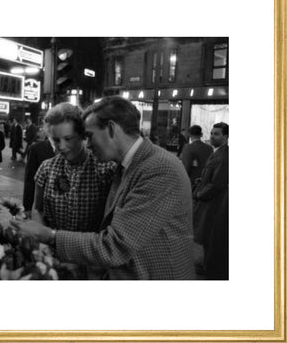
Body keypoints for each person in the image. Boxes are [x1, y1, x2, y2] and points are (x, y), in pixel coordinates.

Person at [13, 97, 196, 280]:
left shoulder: (158, 168)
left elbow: (116, 246)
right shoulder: (126, 165)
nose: (89, 145)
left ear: (111, 128)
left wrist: (49, 236)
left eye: (89, 136)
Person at [31, 103, 116, 233]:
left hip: (90, 249)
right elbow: (37, 209)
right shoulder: (46, 168)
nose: (62, 146)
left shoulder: (105, 169)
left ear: (82, 135)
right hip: (51, 249)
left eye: (68, 139)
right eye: (56, 140)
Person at [192, 122, 229, 280]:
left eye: (217, 134)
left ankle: (211, 268)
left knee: (212, 234)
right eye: (212, 133)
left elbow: (217, 183)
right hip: (209, 200)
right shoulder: (217, 152)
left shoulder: (225, 155)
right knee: (208, 234)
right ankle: (207, 264)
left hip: (214, 203)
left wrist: (199, 194)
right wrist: (202, 180)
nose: (212, 136)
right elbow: (211, 176)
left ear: (226, 137)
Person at [22, 125, 56, 217]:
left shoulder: (69, 150)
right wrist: (28, 207)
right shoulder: (36, 149)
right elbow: (30, 179)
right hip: (42, 207)